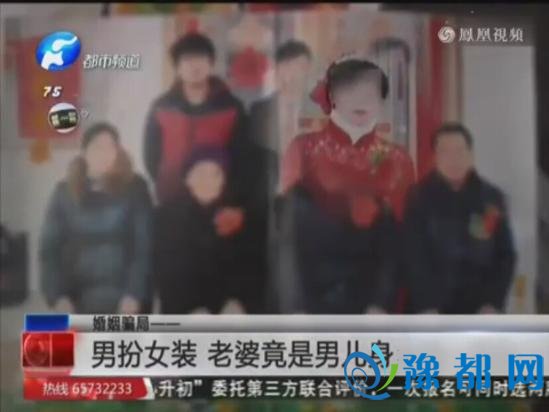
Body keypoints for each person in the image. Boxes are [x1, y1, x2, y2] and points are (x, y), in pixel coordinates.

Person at [280, 57, 415, 314]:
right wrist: (295, 307)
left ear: (381, 101)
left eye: (370, 94)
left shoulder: (398, 159)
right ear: (333, 97)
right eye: (351, 91)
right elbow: (288, 240)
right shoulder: (303, 149)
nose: (361, 101)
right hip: (311, 300)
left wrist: (382, 305)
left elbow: (402, 244)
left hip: (375, 302)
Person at [40, 123, 153, 314]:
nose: (105, 153)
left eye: (111, 147)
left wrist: (134, 294)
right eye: (98, 147)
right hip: (76, 295)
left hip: (125, 294)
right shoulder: (64, 192)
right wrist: (57, 296)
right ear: (84, 153)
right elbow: (49, 250)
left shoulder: (135, 188)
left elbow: (144, 247)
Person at [403, 123, 517, 314]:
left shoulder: (491, 199)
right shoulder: (419, 197)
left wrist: (492, 303)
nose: (453, 159)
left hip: (480, 310)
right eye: (445, 152)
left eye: (459, 151)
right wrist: (426, 306)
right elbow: (413, 256)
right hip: (430, 311)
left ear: (471, 155)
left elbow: (505, 255)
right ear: (435, 157)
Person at [155, 147, 265, 314]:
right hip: (184, 311)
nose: (208, 181)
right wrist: (193, 311)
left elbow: (250, 269)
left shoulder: (237, 217)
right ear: (188, 179)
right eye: (201, 174)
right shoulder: (168, 216)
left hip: (228, 310)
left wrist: (235, 301)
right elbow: (167, 276)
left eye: (215, 174)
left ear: (224, 180)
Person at [248, 40, 313, 313]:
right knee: (265, 269)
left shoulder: (319, 112)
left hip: (304, 202)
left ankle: (291, 318)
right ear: (279, 70)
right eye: (290, 67)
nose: (296, 74)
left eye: (302, 68)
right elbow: (250, 160)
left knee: (293, 267)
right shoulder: (258, 111)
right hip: (266, 199)